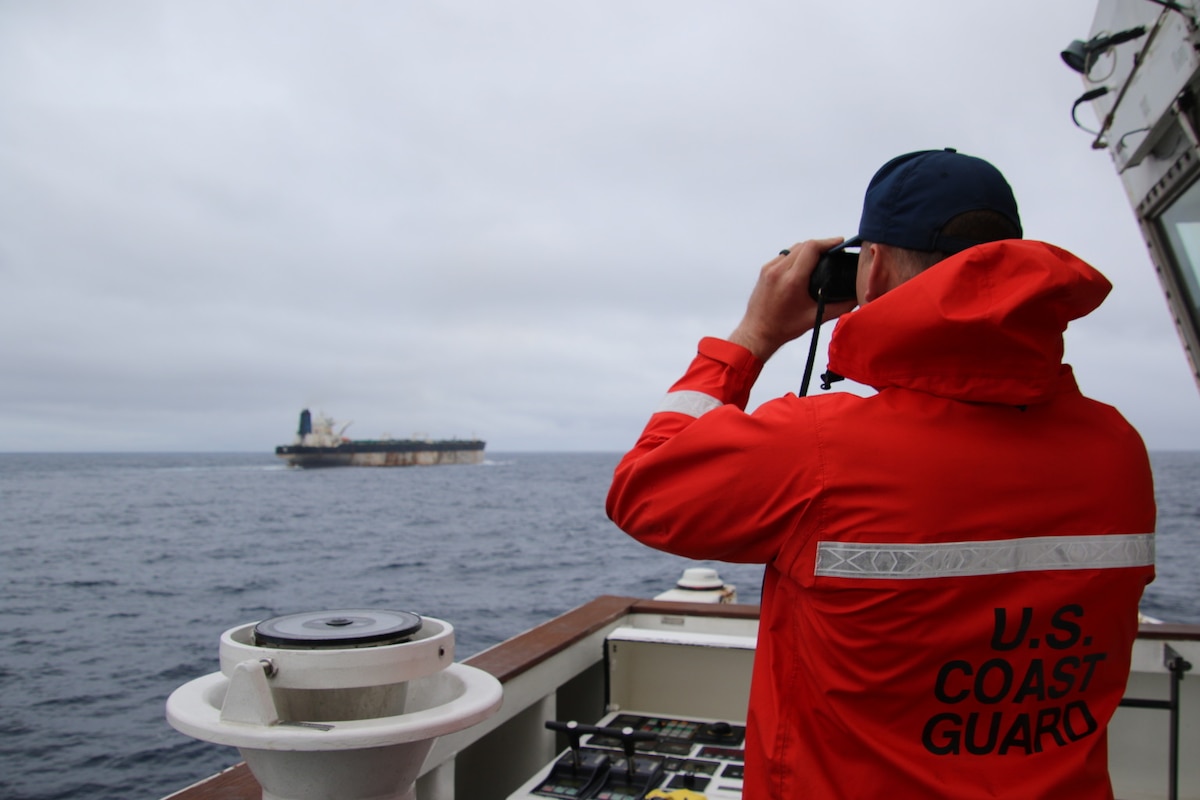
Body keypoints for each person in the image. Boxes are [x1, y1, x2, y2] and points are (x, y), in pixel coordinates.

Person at [606, 148, 1156, 799]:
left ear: (873, 267)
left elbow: (644, 488)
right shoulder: (1118, 448)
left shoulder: (820, 450)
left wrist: (752, 335)